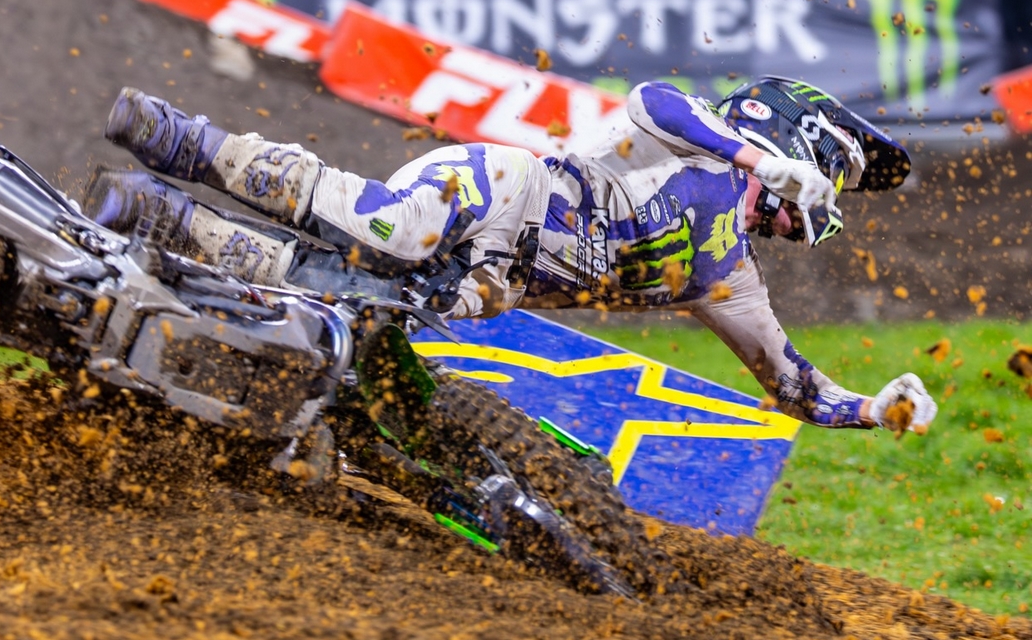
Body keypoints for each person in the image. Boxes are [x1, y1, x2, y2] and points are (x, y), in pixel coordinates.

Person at [89, 78, 937, 436]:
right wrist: (759, 161)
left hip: (493, 284)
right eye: (826, 182)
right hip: (503, 188)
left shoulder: (730, 277)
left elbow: (792, 383)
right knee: (393, 229)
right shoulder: (700, 139)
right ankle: (179, 137)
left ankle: (157, 215)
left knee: (344, 299)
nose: (814, 213)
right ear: (792, 142)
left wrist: (875, 409)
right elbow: (654, 101)